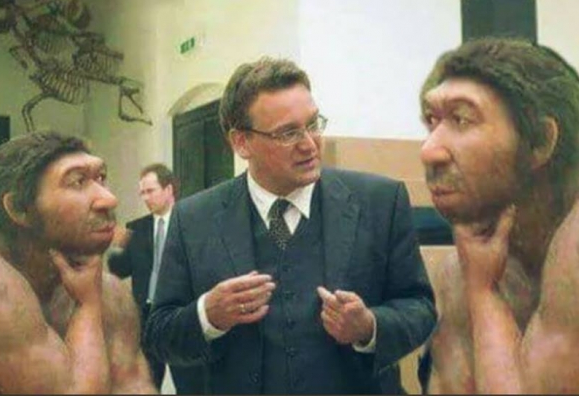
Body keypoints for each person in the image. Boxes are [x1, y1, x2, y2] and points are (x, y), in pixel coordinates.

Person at [144, 57, 436, 394]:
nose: (309, 144)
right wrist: (208, 315)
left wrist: (369, 326)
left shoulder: (380, 203)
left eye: (313, 124)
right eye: (288, 133)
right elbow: (159, 334)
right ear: (241, 143)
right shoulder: (194, 220)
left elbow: (420, 308)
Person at [417, 37, 579, 394]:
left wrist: (483, 294)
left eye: (462, 119)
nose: (429, 151)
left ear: (541, 141)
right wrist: (478, 287)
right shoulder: (467, 260)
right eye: (432, 120)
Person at [0, 131, 156, 394]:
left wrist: (90, 302)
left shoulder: (108, 291)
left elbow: (134, 387)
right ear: (19, 208)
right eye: (78, 182)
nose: (109, 199)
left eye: (101, 178)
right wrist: (88, 307)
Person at [108, 163, 201, 393]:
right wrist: (117, 246)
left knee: (190, 385)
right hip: (146, 318)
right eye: (142, 192)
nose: (145, 198)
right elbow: (119, 270)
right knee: (147, 384)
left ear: (168, 189)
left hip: (179, 315)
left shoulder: (192, 224)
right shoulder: (137, 229)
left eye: (150, 191)